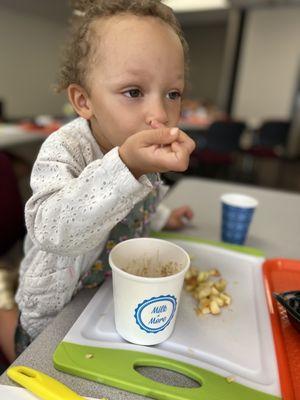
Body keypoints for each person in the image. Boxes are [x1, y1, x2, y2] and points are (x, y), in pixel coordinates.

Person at [1, 0, 195, 362]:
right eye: (134, 92)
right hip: (57, 312)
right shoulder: (66, 148)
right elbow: (51, 230)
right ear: (84, 100)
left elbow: (138, 205)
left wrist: (164, 216)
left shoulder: (138, 145)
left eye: (173, 93)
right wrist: (125, 166)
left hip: (111, 299)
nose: (160, 114)